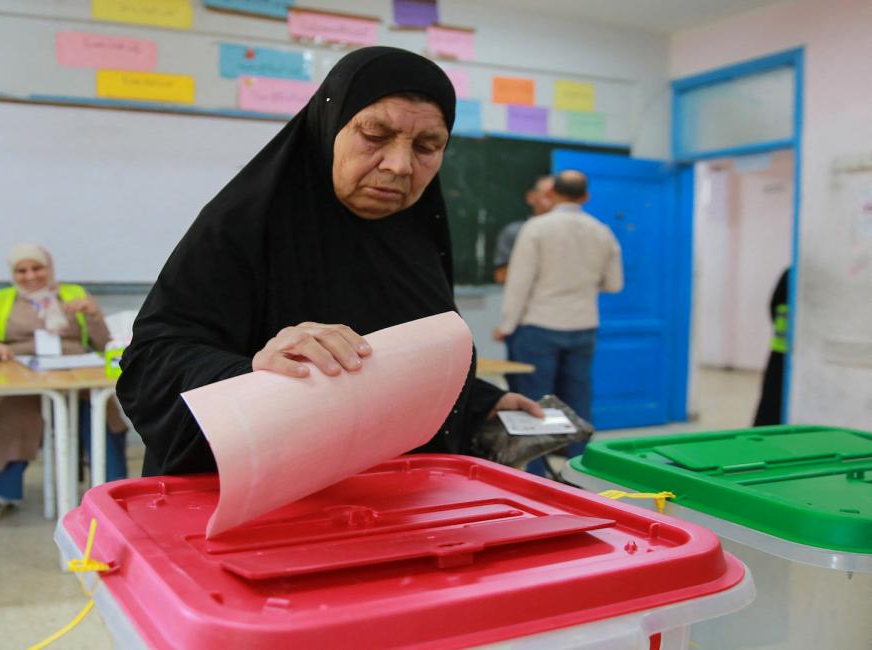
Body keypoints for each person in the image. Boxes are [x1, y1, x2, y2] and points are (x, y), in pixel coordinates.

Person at [116, 46, 542, 478]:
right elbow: (150, 366)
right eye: (375, 135)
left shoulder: (417, 235)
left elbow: (394, 359)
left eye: (427, 146)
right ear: (329, 123)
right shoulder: (244, 225)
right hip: (266, 494)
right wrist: (255, 370)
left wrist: (479, 402)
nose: (399, 165)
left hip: (393, 495)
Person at [0, 244, 129, 523]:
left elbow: (104, 344)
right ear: (13, 274)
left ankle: (115, 495)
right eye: (22, 270)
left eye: (37, 268)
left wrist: (92, 315)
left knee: (103, 418)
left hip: (77, 380)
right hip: (22, 381)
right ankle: (1, 493)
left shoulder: (74, 294)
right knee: (18, 420)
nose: (30, 276)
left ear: (49, 268)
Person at [492, 171, 623, 475]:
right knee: (578, 399)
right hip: (583, 325)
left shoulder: (537, 228)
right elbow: (614, 284)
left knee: (534, 403)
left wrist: (507, 326)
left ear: (551, 194)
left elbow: (519, 284)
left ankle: (537, 474)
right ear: (586, 197)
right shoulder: (602, 231)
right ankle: (581, 471)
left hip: (539, 326)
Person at [493, 176, 554, 284]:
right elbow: (501, 276)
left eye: (558, 196)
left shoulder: (576, 232)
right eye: (547, 195)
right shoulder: (514, 232)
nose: (553, 201)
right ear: (531, 197)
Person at [753, 268, 790, 426]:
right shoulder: (793, 274)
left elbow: (773, 306)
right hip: (784, 353)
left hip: (780, 351)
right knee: (772, 402)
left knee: (770, 402)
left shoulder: (790, 274)